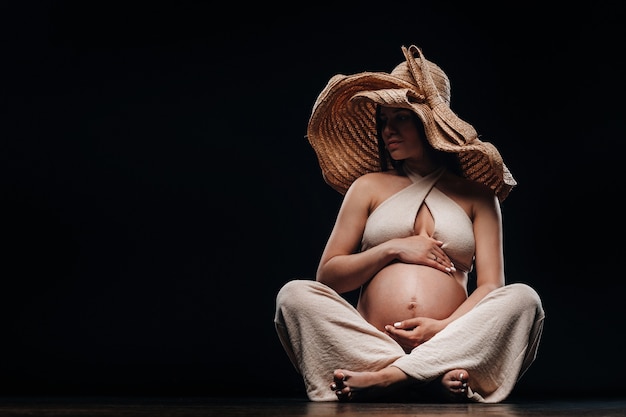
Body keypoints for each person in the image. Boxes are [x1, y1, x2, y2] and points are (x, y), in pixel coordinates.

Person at [274, 45, 545, 403]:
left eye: (400, 117)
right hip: (372, 339)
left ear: (430, 121)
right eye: (384, 120)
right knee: (293, 295)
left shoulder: (478, 196)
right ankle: (427, 373)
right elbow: (330, 276)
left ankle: (391, 376)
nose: (388, 130)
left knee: (525, 300)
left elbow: (491, 287)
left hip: (448, 335)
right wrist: (393, 248)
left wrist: (442, 327)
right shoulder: (368, 187)